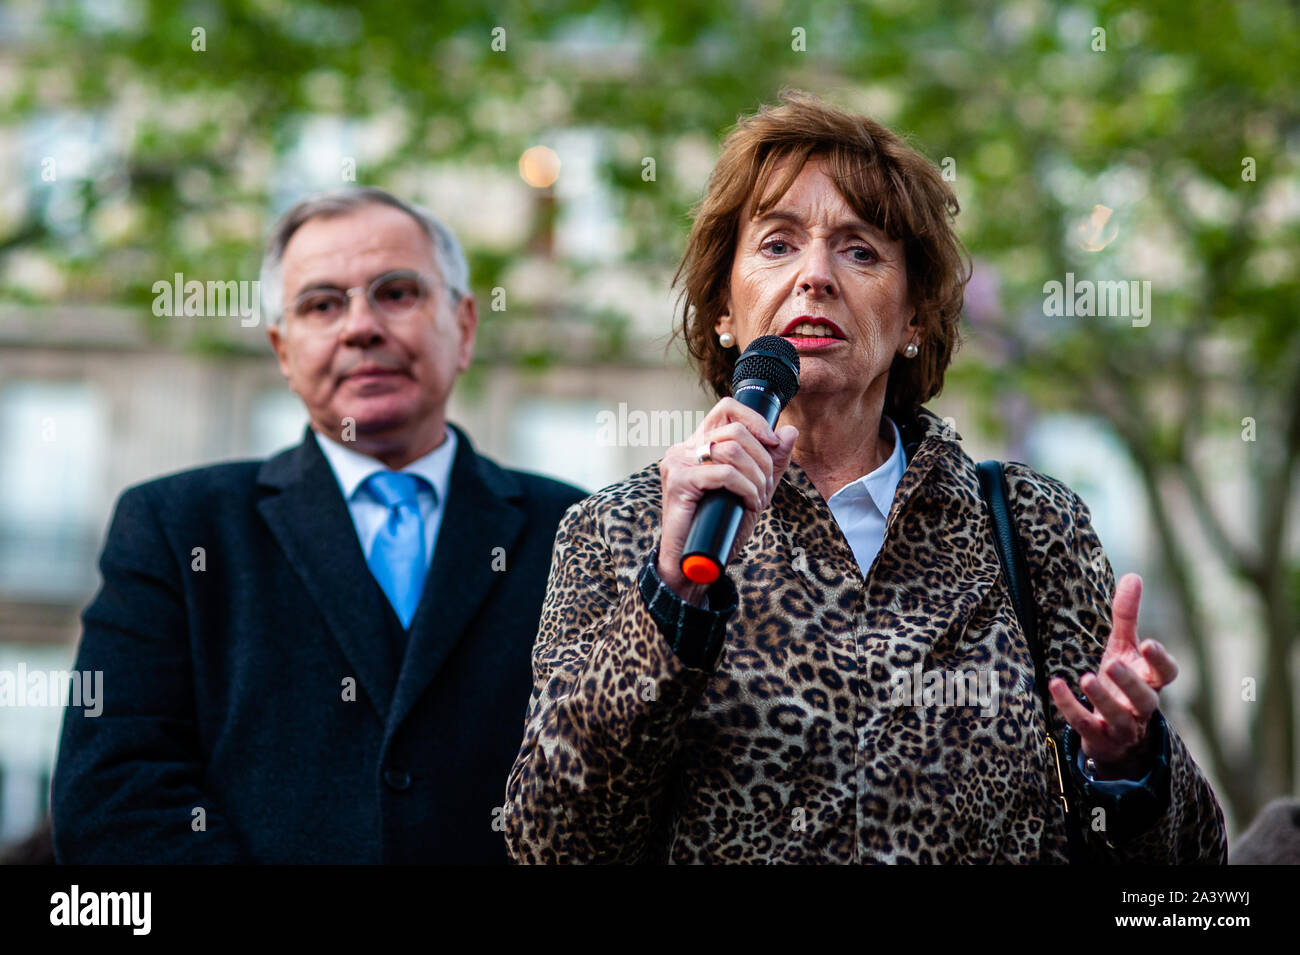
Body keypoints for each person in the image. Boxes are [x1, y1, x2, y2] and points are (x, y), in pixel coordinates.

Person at [505, 92, 1228, 864]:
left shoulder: (1026, 523)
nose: (815, 275)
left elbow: (1187, 869)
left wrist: (1129, 763)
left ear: (914, 317)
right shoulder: (616, 530)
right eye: (777, 245)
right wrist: (669, 600)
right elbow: (552, 840)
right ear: (724, 304)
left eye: (860, 251)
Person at [52, 186, 586, 863]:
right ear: (282, 348)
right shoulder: (174, 527)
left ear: (466, 326)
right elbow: (111, 796)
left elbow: (616, 787)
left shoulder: (574, 530)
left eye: (397, 293)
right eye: (322, 304)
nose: (360, 326)